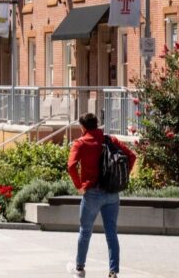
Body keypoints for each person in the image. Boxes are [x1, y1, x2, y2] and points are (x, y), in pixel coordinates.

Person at [66, 113, 137, 278]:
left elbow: (71, 166)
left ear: (83, 127)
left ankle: (79, 269)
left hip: (92, 193)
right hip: (112, 192)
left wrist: (79, 186)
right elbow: (131, 156)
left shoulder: (81, 143)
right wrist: (121, 177)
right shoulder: (110, 140)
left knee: (85, 231)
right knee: (111, 233)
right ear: (97, 125)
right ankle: (113, 272)